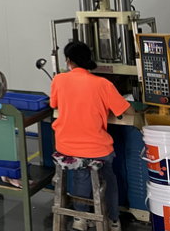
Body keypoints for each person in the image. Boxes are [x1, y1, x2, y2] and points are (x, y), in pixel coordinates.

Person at [50, 41, 134, 231]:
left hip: (66, 147)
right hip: (97, 149)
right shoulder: (103, 84)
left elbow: (54, 104)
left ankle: (80, 218)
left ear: (68, 61)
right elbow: (129, 111)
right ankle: (113, 220)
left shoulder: (59, 80)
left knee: (81, 174)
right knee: (107, 176)